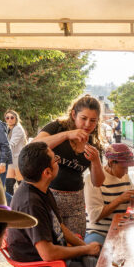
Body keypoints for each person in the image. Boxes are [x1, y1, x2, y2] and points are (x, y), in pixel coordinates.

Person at [7, 142, 101, 267]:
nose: (59, 162)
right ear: (47, 173)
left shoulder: (40, 189)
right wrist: (84, 249)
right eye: (56, 160)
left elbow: (60, 227)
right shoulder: (30, 202)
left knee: (98, 259)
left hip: (50, 261)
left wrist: (84, 248)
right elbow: (48, 254)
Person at [33, 95, 106, 238]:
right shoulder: (58, 127)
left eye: (93, 121)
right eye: (83, 118)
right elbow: (34, 146)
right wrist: (66, 135)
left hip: (76, 202)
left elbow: (98, 182)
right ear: (73, 114)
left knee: (76, 244)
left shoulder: (94, 143)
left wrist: (96, 161)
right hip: (49, 197)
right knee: (54, 241)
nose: (87, 124)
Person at [84, 143, 134, 245]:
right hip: (98, 232)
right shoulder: (92, 178)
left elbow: (131, 205)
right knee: (97, 253)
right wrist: (119, 200)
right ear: (111, 162)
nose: (126, 172)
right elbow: (94, 216)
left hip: (119, 228)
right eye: (124, 168)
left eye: (128, 168)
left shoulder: (125, 177)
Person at [4, 109, 28, 196]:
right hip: (11, 160)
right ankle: (10, 206)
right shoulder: (8, 129)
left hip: (18, 159)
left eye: (12, 117)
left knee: (21, 184)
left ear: (16, 118)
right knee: (9, 184)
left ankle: (24, 203)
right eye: (7, 118)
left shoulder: (17, 128)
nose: (9, 119)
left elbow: (11, 144)